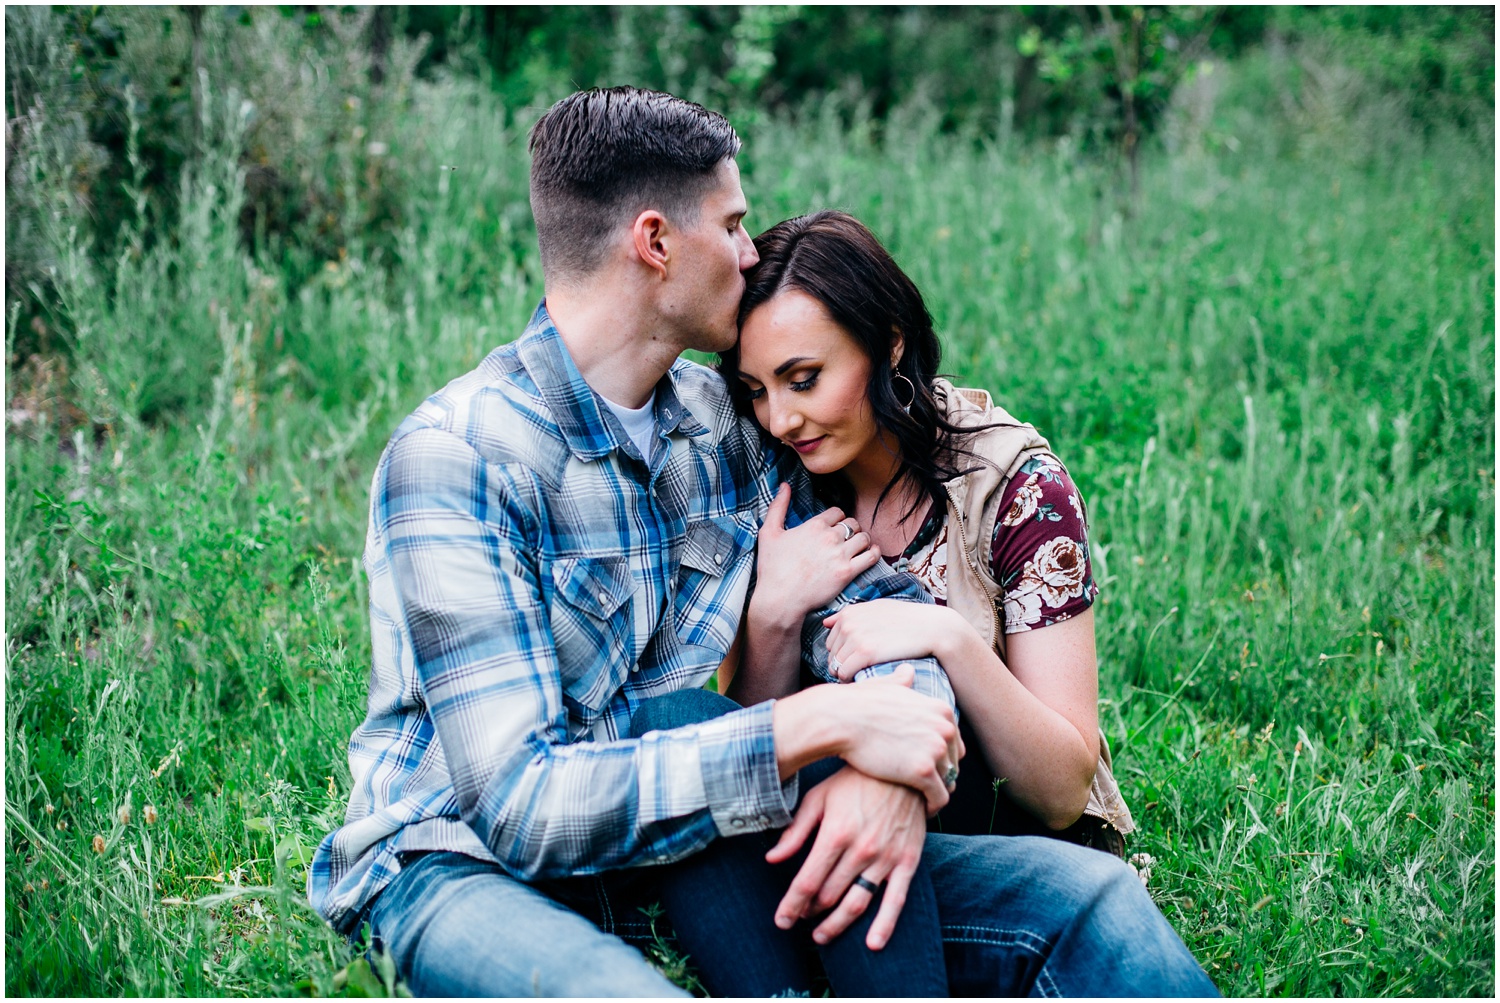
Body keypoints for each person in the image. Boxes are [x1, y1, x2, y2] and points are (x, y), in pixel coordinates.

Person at [308, 86, 1218, 998]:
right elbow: (520, 809)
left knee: (1088, 900)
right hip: (462, 865)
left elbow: (874, 606)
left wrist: (887, 766)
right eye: (735, 225)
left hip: (692, 841)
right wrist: (817, 725)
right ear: (657, 243)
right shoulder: (459, 455)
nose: (752, 252)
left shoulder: (726, 424)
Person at [720, 209, 1136, 851]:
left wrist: (947, 638)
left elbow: (1061, 794)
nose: (780, 419)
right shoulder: (766, 481)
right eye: (756, 390)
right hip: (818, 822)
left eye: (804, 381)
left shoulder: (1021, 492)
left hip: (997, 833)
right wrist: (773, 614)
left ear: (889, 343)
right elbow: (746, 763)